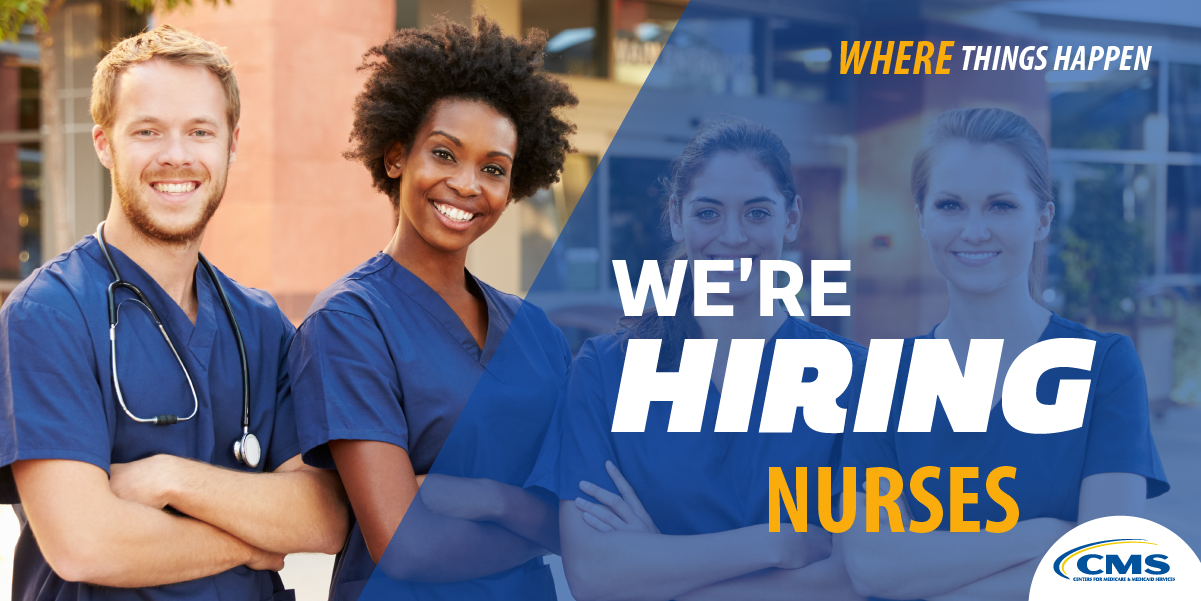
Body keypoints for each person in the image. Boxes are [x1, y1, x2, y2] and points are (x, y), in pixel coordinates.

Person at [0, 25, 349, 601]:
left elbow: (326, 515)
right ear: (104, 142)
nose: (176, 156)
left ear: (231, 143)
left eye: (200, 131)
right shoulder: (49, 314)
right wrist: (251, 543)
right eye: (147, 131)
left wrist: (171, 479)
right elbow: (83, 542)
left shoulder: (260, 326)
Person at [286, 16, 577, 601]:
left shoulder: (535, 332)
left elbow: (584, 514)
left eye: (493, 168)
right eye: (444, 154)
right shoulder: (349, 322)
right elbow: (406, 546)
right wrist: (543, 527)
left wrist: (490, 500)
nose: (468, 184)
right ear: (397, 156)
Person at [526, 117, 866, 601]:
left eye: (756, 213)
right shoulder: (606, 372)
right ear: (675, 216)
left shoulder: (854, 378)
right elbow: (594, 574)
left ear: (790, 219)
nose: (732, 236)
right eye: (708, 213)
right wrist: (777, 542)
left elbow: (850, 580)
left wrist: (656, 569)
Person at [839, 107, 1169, 601]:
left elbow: (1107, 572)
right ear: (922, 219)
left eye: (1001, 206)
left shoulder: (1104, 367)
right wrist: (1045, 537)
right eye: (950, 205)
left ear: (1042, 219)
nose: (975, 230)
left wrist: (923, 575)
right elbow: (872, 567)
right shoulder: (883, 378)